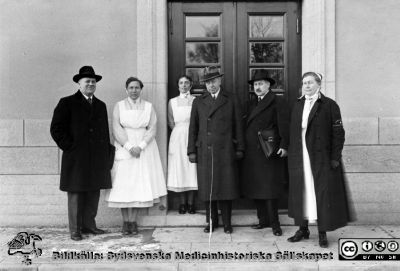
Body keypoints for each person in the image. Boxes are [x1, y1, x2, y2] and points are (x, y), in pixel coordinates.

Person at [50, 66, 115, 241]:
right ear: (79, 84)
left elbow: (103, 132)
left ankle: (89, 225)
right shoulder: (67, 102)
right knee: (76, 193)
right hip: (76, 158)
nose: (91, 84)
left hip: (96, 159)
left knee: (93, 193)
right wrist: (70, 147)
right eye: (87, 81)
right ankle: (75, 230)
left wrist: (106, 154)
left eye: (93, 81)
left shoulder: (100, 105)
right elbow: (56, 129)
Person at [287, 71, 350, 248]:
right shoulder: (297, 105)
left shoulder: (329, 105)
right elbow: (290, 131)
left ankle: (322, 232)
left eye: (310, 82)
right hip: (301, 157)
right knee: (303, 191)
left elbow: (338, 134)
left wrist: (335, 157)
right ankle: (303, 229)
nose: (306, 86)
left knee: (320, 194)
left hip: (320, 158)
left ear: (318, 85)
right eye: (304, 83)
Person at [105, 76, 167, 235]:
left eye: (137, 88)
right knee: (124, 185)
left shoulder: (148, 106)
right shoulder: (119, 106)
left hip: (143, 148)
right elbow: (116, 128)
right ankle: (125, 222)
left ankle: (133, 222)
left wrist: (140, 146)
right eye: (131, 88)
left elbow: (152, 128)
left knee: (138, 184)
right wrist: (128, 146)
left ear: (141, 89)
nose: (134, 90)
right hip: (125, 147)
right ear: (126, 89)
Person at [188, 66, 245, 234]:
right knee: (208, 189)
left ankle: (227, 223)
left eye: (213, 81)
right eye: (207, 83)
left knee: (226, 187)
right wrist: (191, 150)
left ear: (220, 81)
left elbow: (238, 126)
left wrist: (240, 147)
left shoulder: (231, 99)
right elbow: (193, 128)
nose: (211, 85)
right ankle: (211, 221)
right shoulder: (198, 101)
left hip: (226, 150)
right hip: (205, 150)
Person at [240, 70, 289, 236]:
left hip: (269, 151)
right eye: (255, 84)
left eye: (261, 84)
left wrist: (284, 145)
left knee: (269, 189)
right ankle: (262, 221)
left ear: (268, 85)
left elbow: (284, 125)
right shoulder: (250, 103)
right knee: (256, 187)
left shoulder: (277, 102)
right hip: (252, 153)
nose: (258, 87)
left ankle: (275, 224)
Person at [167, 75, 198, 214]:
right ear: (178, 86)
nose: (184, 85)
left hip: (192, 136)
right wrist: (179, 132)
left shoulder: (196, 101)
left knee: (191, 168)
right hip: (178, 136)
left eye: (186, 83)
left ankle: (191, 203)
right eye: (181, 83)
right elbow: (170, 121)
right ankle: (182, 203)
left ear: (191, 85)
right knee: (179, 167)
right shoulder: (172, 102)